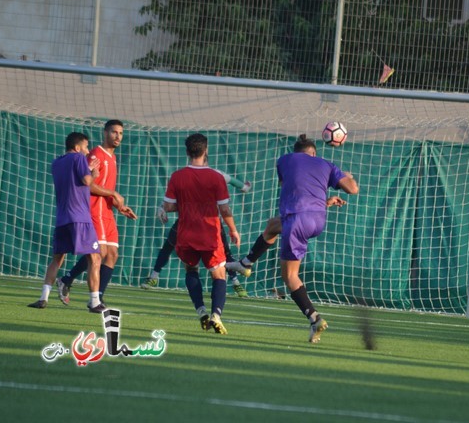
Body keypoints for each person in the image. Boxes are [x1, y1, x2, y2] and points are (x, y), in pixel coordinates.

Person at [237, 134, 358, 343]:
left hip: (297, 220)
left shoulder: (284, 160)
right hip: (317, 220)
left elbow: (292, 184)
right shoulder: (327, 164)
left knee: (290, 276)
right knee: (273, 225)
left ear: (297, 151)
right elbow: (353, 189)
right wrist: (348, 176)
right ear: (314, 152)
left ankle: (314, 318)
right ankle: (246, 263)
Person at [161, 133, 244, 334]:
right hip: (210, 234)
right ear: (206, 150)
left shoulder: (177, 176)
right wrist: (233, 229)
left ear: (187, 152)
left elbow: (169, 206)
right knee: (219, 275)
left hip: (186, 234)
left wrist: (164, 209)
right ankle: (216, 314)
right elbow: (224, 210)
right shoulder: (216, 177)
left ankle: (201, 311)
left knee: (191, 271)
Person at [56, 120, 137, 308]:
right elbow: (89, 185)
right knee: (98, 253)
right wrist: (114, 194)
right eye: (114, 132)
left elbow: (106, 187)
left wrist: (119, 206)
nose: (118, 136)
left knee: (113, 254)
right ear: (105, 133)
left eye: (121, 133)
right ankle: (70, 281)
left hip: (107, 212)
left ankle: (95, 293)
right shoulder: (95, 155)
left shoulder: (113, 157)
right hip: (94, 211)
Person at [28, 132, 105, 313]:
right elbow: (86, 181)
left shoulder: (56, 163)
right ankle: (94, 302)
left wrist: (86, 168)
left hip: (62, 219)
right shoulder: (78, 158)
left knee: (57, 259)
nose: (87, 151)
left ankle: (43, 298)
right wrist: (93, 172)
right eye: (86, 147)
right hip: (80, 218)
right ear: (77, 147)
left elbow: (72, 180)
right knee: (95, 257)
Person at [141, 172, 252, 298]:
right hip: (188, 221)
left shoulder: (215, 175)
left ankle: (235, 282)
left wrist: (244, 187)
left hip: (210, 223)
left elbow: (232, 182)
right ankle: (153, 276)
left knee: (224, 253)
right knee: (169, 247)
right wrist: (163, 207)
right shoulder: (185, 176)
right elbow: (174, 199)